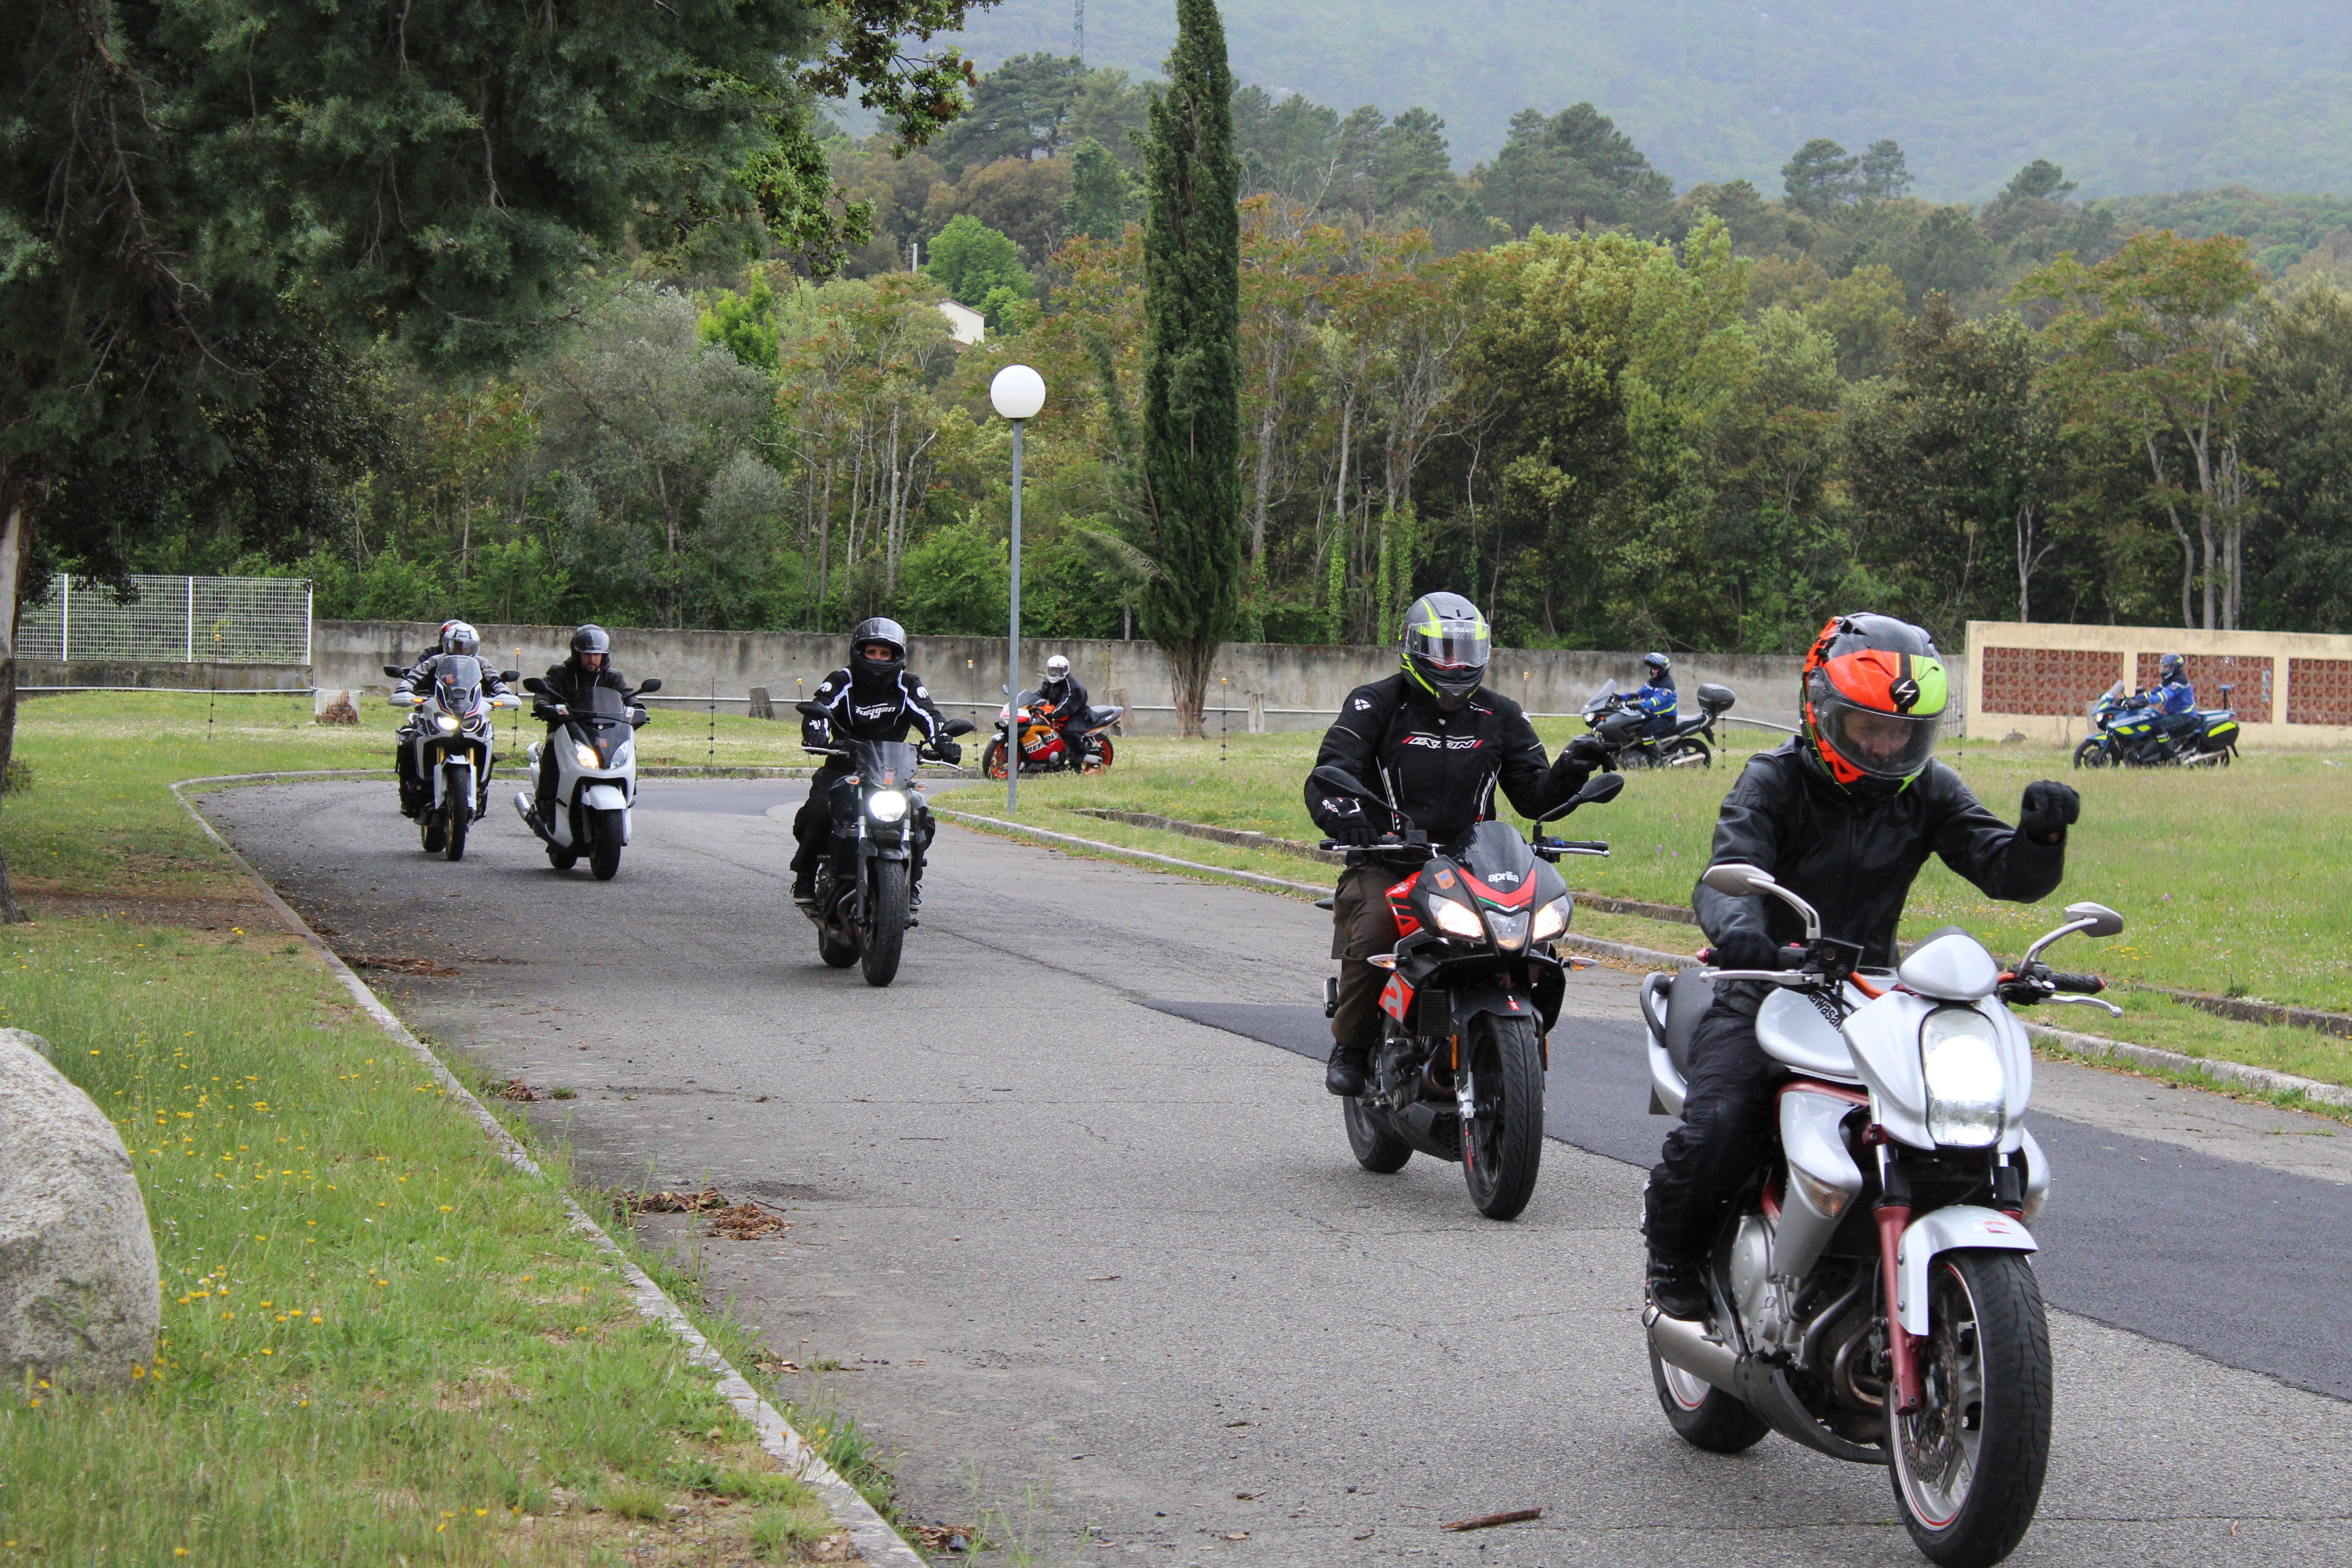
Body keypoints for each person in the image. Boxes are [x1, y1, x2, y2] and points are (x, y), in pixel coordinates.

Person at [1644, 613, 2081, 1321]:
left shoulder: (1928, 789)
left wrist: (2041, 838)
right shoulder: (1774, 779)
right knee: (1724, 1121)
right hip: (1767, 984)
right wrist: (1745, 932)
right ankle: (1672, 1254)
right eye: (1865, 727)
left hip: (1874, 993)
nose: (1885, 745)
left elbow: (2004, 871)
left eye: (1900, 732)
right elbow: (1727, 870)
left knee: (1945, 1124)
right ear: (1822, 713)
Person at [1304, 592, 1610, 1097]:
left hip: (1472, 862)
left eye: (1466, 651)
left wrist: (1572, 769)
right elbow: (1329, 776)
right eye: (1443, 650)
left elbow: (1534, 797)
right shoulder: (1375, 703)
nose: (1456, 663)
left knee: (1527, 935)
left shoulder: (1501, 714)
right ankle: (1353, 1044)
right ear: (1413, 648)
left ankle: (1510, 1039)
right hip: (1390, 857)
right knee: (1379, 926)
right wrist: (1349, 820)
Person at [791, 619, 961, 905]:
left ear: (897, 656)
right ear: (859, 653)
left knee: (921, 816)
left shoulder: (907, 684)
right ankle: (805, 875)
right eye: (872, 652)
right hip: (844, 767)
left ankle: (911, 880)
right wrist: (817, 735)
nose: (878, 659)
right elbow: (820, 708)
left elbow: (929, 715)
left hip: (892, 771)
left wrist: (943, 741)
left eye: (886, 653)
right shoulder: (842, 680)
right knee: (819, 812)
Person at [391, 620, 509, 813]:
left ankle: (481, 789)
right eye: (457, 645)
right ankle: (410, 792)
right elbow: (415, 675)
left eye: (467, 646)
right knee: (407, 744)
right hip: (436, 710)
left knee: (488, 742)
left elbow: (495, 680)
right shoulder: (434, 659)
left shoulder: (481, 663)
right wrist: (404, 690)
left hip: (469, 712)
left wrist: (505, 694)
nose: (461, 650)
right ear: (446, 644)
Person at [526, 625, 633, 830]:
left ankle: (629, 794)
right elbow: (544, 692)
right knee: (551, 749)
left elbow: (629, 696)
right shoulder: (560, 673)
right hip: (566, 732)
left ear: (604, 655)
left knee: (627, 751)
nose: (592, 659)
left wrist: (637, 709)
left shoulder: (613, 678)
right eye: (587, 654)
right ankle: (545, 804)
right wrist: (542, 705)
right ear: (577, 653)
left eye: (597, 655)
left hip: (605, 734)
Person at [1035, 654, 1094, 771]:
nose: (1054, 672)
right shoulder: (1049, 682)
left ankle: (1077, 763)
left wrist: (1051, 714)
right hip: (1060, 712)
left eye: (1057, 670)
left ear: (1064, 670)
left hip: (1077, 713)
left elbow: (1066, 704)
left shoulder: (1072, 686)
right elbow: (1039, 694)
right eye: (1052, 670)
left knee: (1069, 732)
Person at [2151, 652, 2199, 749]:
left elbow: (2165, 695)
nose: (2164, 670)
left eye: (2166, 667)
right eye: (2163, 667)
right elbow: (2153, 693)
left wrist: (2147, 701)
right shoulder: (2168, 681)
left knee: (2159, 725)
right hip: (2175, 714)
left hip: (2185, 716)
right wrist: (2135, 698)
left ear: (2175, 667)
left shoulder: (2179, 681)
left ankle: (2169, 753)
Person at [1631, 651, 1679, 742]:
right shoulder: (1653, 681)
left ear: (1663, 669)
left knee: (1646, 731)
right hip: (1654, 716)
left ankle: (1655, 756)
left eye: (1655, 669)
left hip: (1666, 718)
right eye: (1652, 668)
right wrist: (1621, 697)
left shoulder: (1668, 685)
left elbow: (1656, 701)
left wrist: (1640, 705)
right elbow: (1640, 693)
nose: (1652, 671)